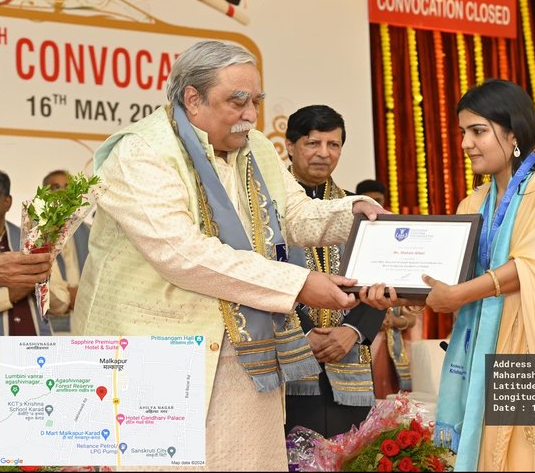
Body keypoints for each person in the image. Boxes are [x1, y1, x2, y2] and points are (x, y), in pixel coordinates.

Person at [70, 41, 385, 471]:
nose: (251, 115)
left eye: (255, 101)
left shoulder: (252, 146)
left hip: (242, 358)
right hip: (153, 356)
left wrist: (356, 214)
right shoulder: (142, 152)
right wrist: (297, 284)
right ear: (192, 99)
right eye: (238, 102)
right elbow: (182, 254)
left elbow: (294, 213)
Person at [366, 80, 535, 470]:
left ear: (513, 133)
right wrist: (401, 293)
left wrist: (459, 295)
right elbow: (453, 279)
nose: (466, 144)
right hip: (485, 356)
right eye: (463, 133)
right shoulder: (474, 201)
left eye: (478, 131)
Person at [282, 104, 386, 438]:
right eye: (313, 143)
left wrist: (352, 333)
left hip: (350, 356)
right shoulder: (266, 206)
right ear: (289, 145)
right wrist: (307, 333)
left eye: (334, 145)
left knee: (351, 456)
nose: (324, 154)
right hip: (291, 358)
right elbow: (263, 273)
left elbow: (379, 278)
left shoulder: (357, 208)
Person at [0, 169, 69, 354]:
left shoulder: (33, 240)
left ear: (7, 202)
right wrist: (9, 295)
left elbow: (61, 304)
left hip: (39, 354)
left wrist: (41, 278)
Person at [42, 170, 90, 332]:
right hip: (52, 325)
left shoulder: (90, 232)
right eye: (56, 187)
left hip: (87, 322)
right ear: (45, 195)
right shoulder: (35, 234)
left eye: (67, 187)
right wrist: (70, 296)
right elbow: (39, 283)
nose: (63, 192)